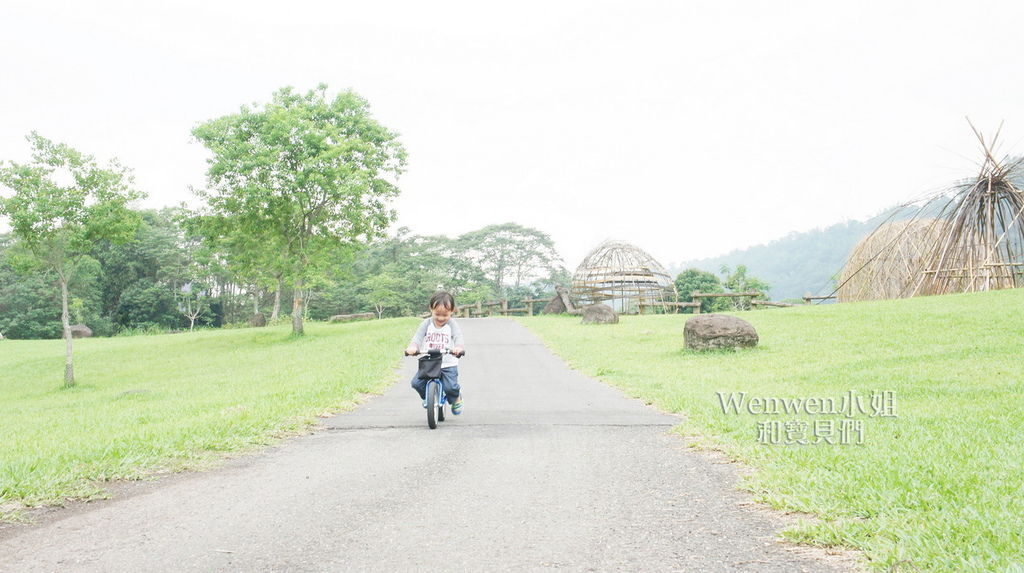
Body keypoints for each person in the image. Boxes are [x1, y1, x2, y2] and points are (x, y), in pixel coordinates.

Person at [405, 291, 465, 414]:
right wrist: (413, 347)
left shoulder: (452, 325)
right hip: (430, 362)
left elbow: (458, 337)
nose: (441, 318)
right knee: (416, 383)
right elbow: (418, 337)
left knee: (451, 387)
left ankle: (456, 398)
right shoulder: (426, 324)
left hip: (448, 363)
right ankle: (429, 397)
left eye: (445, 315)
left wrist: (458, 348)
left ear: (452, 311)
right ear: (431, 309)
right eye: (437, 314)